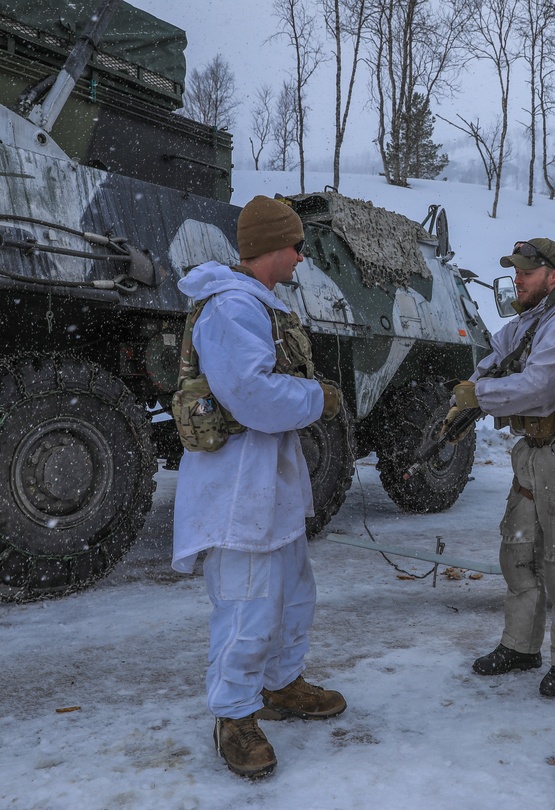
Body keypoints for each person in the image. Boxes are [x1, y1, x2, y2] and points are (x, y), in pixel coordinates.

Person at [172, 195, 346, 779]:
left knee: (293, 595)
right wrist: (319, 398)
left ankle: (279, 683)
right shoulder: (230, 309)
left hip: (269, 487)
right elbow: (253, 396)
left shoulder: (259, 304)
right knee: (246, 606)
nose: (300, 257)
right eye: (296, 246)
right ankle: (234, 716)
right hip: (238, 489)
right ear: (273, 247)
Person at [452, 238, 555, 698]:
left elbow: (540, 388)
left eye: (527, 273)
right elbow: (492, 361)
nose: (518, 279)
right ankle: (520, 646)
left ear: (553, 277)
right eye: (516, 271)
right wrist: (469, 392)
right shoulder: (526, 323)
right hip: (532, 453)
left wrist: (479, 396)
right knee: (517, 553)